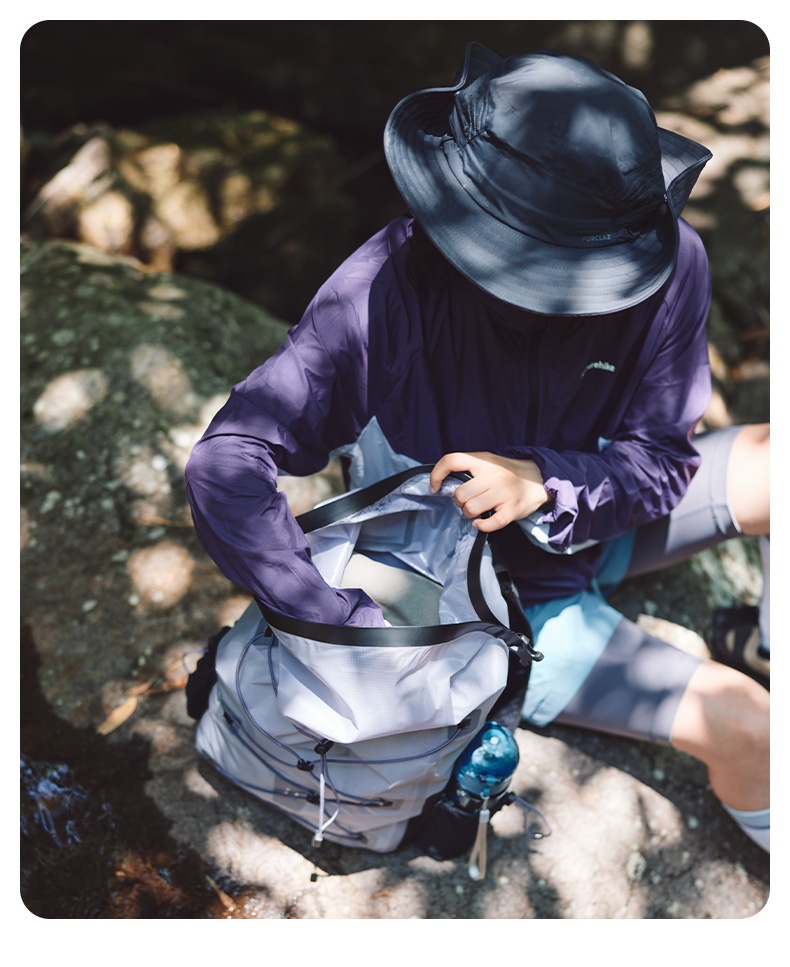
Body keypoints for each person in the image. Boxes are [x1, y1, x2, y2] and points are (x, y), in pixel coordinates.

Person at [185, 44, 770, 852]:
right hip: (484, 607)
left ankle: (761, 639)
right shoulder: (389, 285)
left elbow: (663, 460)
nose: (581, 295)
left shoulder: (667, 260)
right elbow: (230, 458)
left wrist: (544, 481)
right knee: (753, 729)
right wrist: (339, 626)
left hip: (593, 513)